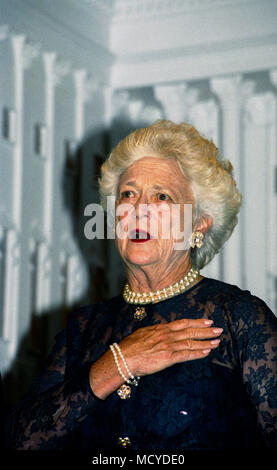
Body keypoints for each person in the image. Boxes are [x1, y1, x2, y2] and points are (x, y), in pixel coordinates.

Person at [6, 120, 277, 450]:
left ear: (199, 226)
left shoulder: (240, 317)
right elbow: (20, 442)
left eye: (161, 196)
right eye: (128, 194)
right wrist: (118, 363)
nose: (138, 210)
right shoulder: (83, 328)